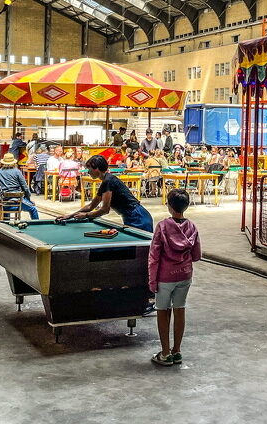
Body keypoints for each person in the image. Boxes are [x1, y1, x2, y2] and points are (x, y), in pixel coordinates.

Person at [148, 188, 201, 366]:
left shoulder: (162, 226)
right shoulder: (192, 226)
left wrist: (152, 280)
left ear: (169, 206)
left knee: (163, 311)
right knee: (180, 309)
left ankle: (164, 353)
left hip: (165, 277)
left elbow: (154, 256)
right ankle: (177, 351)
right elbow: (196, 255)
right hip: (185, 275)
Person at [60, 155, 153, 231]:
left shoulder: (108, 181)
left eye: (89, 169)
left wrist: (86, 215)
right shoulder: (106, 181)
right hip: (132, 216)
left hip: (138, 216)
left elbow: (105, 209)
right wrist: (70, 216)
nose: (88, 172)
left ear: (96, 169)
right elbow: (91, 206)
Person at [0, 152, 38, 219]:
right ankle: (36, 225)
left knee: (6, 208)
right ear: (14, 162)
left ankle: (6, 224)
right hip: (17, 201)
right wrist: (29, 199)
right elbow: (25, 187)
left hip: (2, 202)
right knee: (33, 208)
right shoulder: (17, 172)